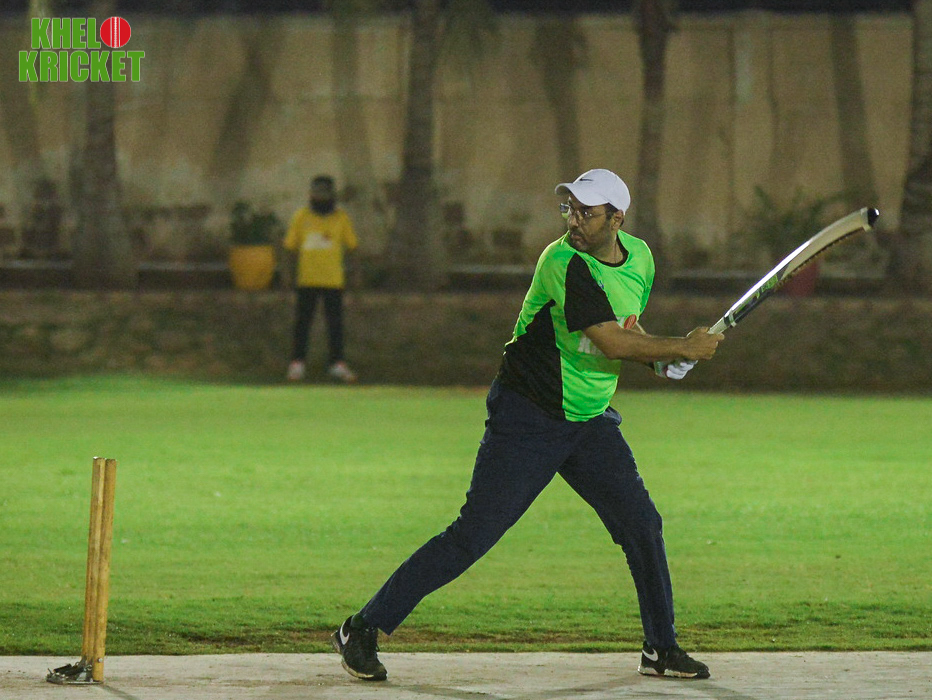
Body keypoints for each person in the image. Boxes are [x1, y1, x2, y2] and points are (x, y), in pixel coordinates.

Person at [331, 168, 724, 681]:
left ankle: (661, 648)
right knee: (473, 534)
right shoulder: (563, 261)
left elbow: (626, 327)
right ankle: (361, 628)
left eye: (586, 212)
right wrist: (680, 347)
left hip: (589, 421)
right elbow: (610, 341)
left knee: (642, 525)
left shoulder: (641, 259)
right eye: (570, 209)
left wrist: (660, 360)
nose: (573, 220)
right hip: (528, 417)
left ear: (617, 219)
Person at [284, 175, 358, 383]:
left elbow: (352, 247)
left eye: (325, 193)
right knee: (302, 323)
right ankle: (297, 364)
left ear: (332, 195)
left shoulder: (341, 218)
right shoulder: (301, 216)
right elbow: (289, 247)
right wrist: (287, 274)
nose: (321, 197)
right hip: (307, 279)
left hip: (333, 280)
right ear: (311, 194)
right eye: (317, 193)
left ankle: (337, 364)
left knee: (335, 325)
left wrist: (355, 273)